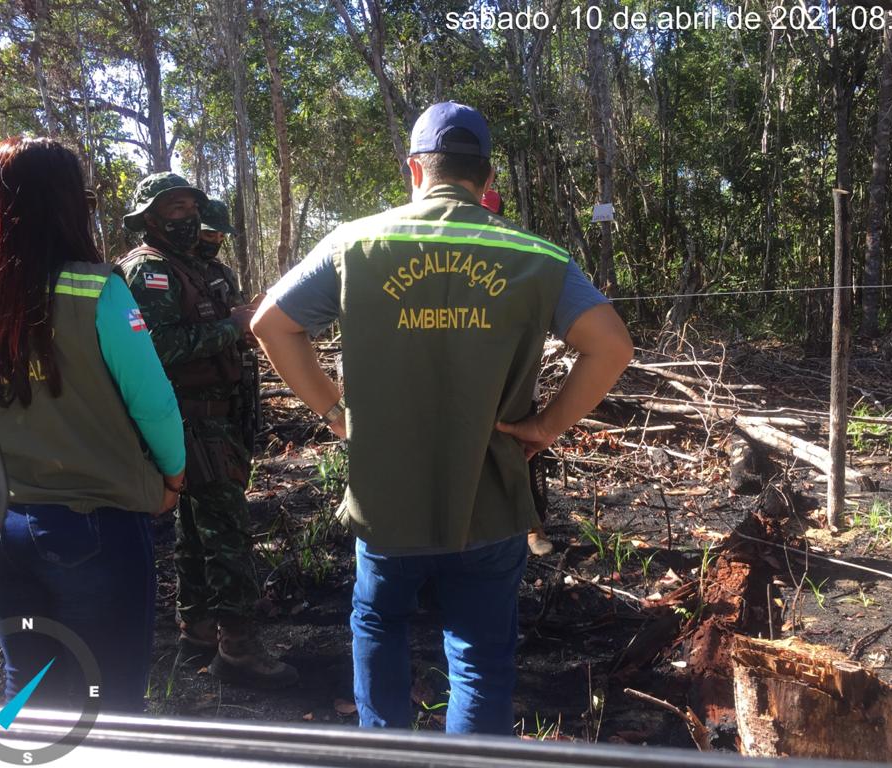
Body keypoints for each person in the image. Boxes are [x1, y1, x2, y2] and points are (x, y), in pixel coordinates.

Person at [252, 101, 633, 734]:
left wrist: (334, 413)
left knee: (379, 624)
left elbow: (270, 323)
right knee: (480, 657)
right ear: (486, 178)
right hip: (490, 499)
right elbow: (612, 347)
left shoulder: (358, 242)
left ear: (414, 170)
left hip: (385, 498)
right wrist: (544, 428)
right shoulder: (535, 255)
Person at [0, 137, 186, 712]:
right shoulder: (98, 290)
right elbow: (153, 403)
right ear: (65, 206)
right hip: (93, 528)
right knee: (112, 700)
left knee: (29, 685)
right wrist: (173, 480)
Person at [117, 174, 297, 689]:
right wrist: (233, 326)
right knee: (228, 533)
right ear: (150, 217)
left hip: (215, 417)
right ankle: (237, 646)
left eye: (191, 206)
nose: (188, 218)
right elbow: (157, 348)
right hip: (188, 419)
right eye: (175, 208)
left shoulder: (193, 267)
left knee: (198, 533)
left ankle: (197, 632)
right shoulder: (149, 271)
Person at [479, 188, 554, 558]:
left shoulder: (519, 259)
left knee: (523, 453)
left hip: (514, 385)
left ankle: (532, 527)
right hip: (468, 385)